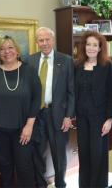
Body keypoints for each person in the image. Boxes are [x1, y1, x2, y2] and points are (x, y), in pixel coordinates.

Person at [0, 36, 41, 187]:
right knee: (5, 169)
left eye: (10, 47)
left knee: (25, 169)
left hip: (23, 130)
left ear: (17, 51)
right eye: (2, 49)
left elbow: (37, 98)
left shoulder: (28, 71)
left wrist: (29, 125)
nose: (6, 52)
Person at [25, 27, 75, 188]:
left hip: (58, 115)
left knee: (59, 154)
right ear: (37, 42)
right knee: (38, 153)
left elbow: (71, 91)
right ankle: (40, 184)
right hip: (36, 115)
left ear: (52, 40)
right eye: (41, 40)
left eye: (47, 39)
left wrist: (69, 116)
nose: (44, 43)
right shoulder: (29, 61)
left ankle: (60, 183)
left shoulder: (66, 60)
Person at [74, 31, 112, 188]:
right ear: (83, 46)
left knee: (98, 155)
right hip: (82, 118)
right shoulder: (76, 65)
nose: (91, 48)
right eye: (88, 44)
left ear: (100, 48)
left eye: (95, 45)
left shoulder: (106, 66)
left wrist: (110, 119)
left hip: (99, 119)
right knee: (84, 155)